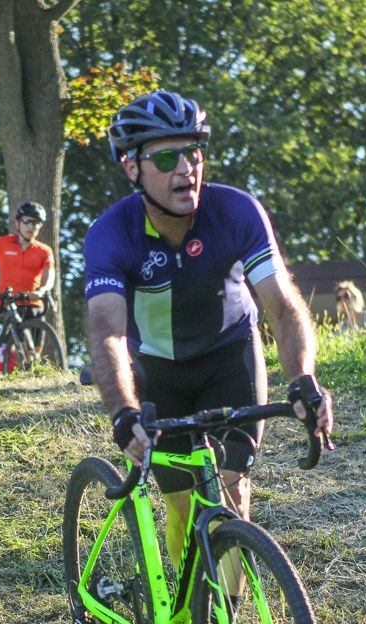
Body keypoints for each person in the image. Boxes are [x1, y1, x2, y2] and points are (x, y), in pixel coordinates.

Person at [84, 90, 334, 568]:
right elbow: (107, 331)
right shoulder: (111, 233)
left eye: (193, 152)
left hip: (228, 358)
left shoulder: (236, 212)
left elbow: (283, 306)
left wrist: (303, 378)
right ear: (130, 167)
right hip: (157, 372)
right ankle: (184, 620)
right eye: (166, 157)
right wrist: (123, 410)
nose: (186, 168)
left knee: (232, 493)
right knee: (181, 504)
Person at [0, 201, 55, 314]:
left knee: (33, 324)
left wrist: (41, 291)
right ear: (17, 223)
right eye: (26, 221)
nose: (30, 226)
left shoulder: (45, 251)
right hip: (8, 303)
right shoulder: (1, 243)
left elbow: (49, 278)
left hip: (33, 304)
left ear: (40, 226)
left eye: (35, 222)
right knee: (19, 330)